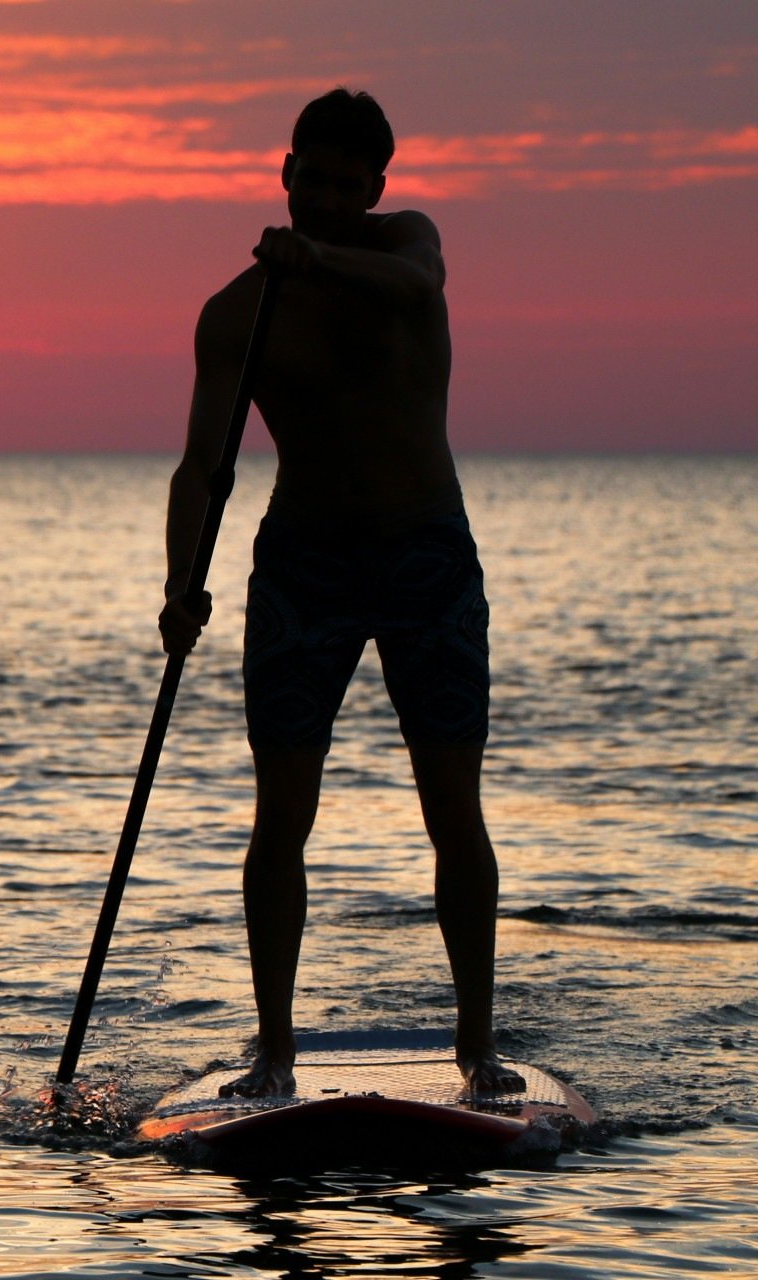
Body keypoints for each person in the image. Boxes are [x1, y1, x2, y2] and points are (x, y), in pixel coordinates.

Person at [157, 88, 526, 1098]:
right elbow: (202, 469)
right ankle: (273, 1051)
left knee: (454, 806)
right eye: (306, 178)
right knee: (282, 813)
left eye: (340, 184)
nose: (319, 197)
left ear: (372, 189)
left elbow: (417, 287)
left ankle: (477, 1050)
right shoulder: (238, 315)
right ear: (283, 175)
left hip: (425, 559)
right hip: (305, 567)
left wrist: (319, 262)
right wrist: (179, 582)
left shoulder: (407, 246)